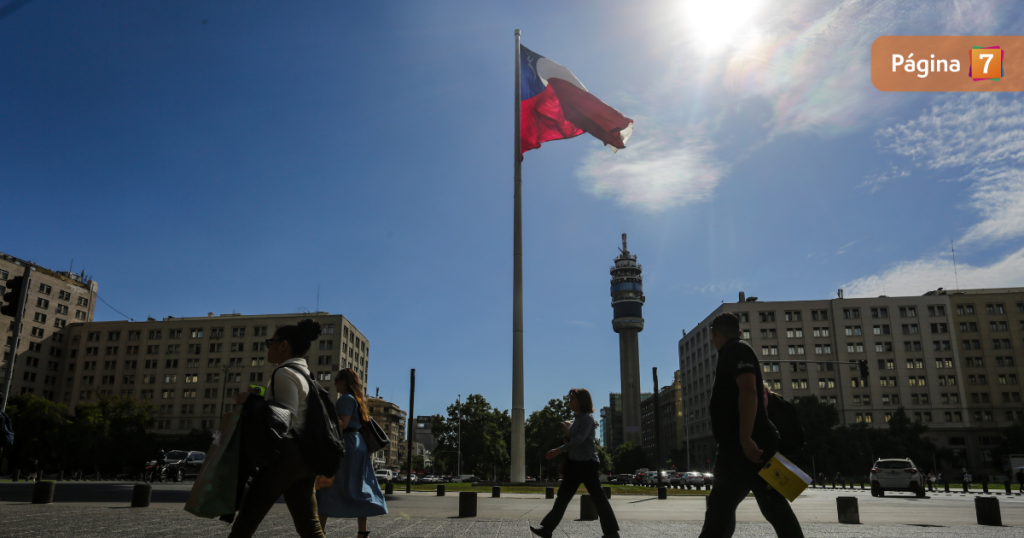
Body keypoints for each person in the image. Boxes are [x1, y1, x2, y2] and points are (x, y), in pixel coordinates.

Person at [697, 312, 803, 538]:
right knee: (723, 511)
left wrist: (746, 439)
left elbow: (748, 391)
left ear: (714, 333)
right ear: (739, 331)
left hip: (749, 445)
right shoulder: (733, 351)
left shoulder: (737, 350)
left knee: (771, 507)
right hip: (736, 447)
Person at [228, 319, 327, 538]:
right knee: (309, 527)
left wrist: (250, 402)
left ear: (283, 345)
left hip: (285, 456)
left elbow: (286, 417)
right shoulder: (306, 374)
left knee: (246, 521)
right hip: (306, 457)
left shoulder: (284, 373)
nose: (268, 347)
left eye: (270, 342)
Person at [531, 388, 619, 538]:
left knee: (598, 498)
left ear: (581, 401)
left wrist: (558, 450)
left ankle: (611, 533)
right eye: (570, 398)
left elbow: (579, 440)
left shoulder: (587, 418)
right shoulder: (577, 419)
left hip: (587, 464)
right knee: (563, 497)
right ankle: (547, 529)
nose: (570, 401)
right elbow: (573, 439)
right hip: (574, 464)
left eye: (573, 399)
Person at [316, 367, 387, 536]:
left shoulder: (346, 399)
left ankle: (319, 532)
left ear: (344, 382)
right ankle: (362, 532)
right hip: (357, 444)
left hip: (346, 444)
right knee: (359, 486)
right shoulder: (357, 399)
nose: (334, 384)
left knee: (328, 486)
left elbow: (342, 424)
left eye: (337, 380)